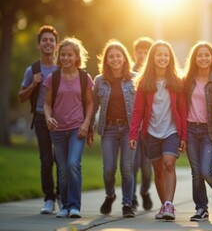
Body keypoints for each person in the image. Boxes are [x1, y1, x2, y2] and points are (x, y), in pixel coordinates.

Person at [129, 40, 187, 221]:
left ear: (170, 58)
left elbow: (183, 110)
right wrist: (133, 134)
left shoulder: (177, 82)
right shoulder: (144, 83)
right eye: (159, 54)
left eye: (166, 55)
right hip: (151, 133)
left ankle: (169, 205)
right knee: (158, 171)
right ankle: (164, 205)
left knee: (168, 164)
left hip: (171, 132)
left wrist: (183, 135)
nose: (162, 58)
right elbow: (137, 111)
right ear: (152, 58)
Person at [43, 37, 94, 218]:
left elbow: (89, 104)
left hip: (76, 128)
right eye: (63, 54)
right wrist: (48, 118)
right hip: (57, 130)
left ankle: (74, 206)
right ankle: (64, 206)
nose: (66, 58)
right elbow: (47, 104)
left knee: (73, 164)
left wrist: (86, 123)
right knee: (63, 169)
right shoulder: (53, 78)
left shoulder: (84, 77)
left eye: (70, 55)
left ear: (76, 56)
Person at [182, 41, 212, 222]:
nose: (203, 58)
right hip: (191, 130)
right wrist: (182, 135)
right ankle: (201, 208)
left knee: (206, 171)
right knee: (196, 172)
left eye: (206, 55)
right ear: (194, 59)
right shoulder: (187, 81)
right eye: (199, 55)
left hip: (209, 132)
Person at [18, 25, 61, 214]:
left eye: (51, 40)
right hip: (41, 119)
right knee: (45, 160)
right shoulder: (32, 69)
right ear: (39, 45)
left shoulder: (62, 67)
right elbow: (21, 96)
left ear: (56, 44)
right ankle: (49, 198)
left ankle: (61, 195)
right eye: (44, 40)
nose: (48, 43)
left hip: (61, 120)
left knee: (61, 159)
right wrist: (33, 83)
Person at [91, 40, 136, 218]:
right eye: (112, 57)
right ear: (107, 61)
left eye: (119, 56)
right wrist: (88, 129)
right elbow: (93, 106)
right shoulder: (99, 81)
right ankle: (110, 195)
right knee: (109, 169)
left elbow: (142, 106)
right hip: (108, 129)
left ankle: (127, 204)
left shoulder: (134, 78)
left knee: (127, 168)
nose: (116, 59)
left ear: (124, 59)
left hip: (128, 129)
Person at [131, 37, 154, 211]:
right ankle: (130, 198)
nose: (143, 55)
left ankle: (145, 191)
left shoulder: (154, 74)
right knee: (132, 165)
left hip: (149, 128)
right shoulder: (127, 73)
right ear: (135, 53)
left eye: (147, 52)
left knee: (146, 168)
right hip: (132, 127)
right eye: (140, 52)